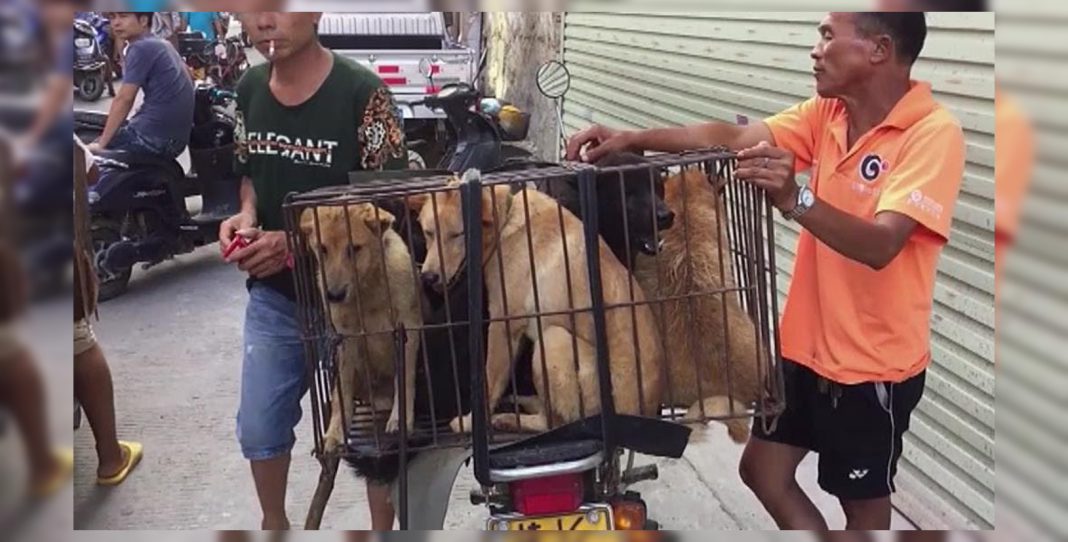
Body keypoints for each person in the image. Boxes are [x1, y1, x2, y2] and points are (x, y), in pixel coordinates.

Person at [567, 11, 965, 531]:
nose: (815, 49)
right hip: (805, 349)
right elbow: (732, 136)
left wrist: (794, 197)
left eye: (827, 36)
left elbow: (883, 243)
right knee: (762, 470)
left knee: (863, 511)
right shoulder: (829, 114)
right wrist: (630, 136)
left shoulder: (932, 134)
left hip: (872, 366)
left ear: (878, 50)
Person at [219, 11, 407, 530]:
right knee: (259, 425)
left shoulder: (362, 93)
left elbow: (386, 201)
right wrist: (247, 219)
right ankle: (274, 522)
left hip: (362, 301)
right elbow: (250, 176)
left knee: (373, 427)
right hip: (279, 298)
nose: (264, 20)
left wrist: (297, 245)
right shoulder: (249, 88)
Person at [87, 12, 194, 161]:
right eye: (112, 17)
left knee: (83, 152)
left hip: (153, 139)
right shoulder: (162, 43)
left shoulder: (140, 48)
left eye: (123, 16)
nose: (116, 23)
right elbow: (189, 75)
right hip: (177, 138)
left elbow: (124, 99)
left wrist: (101, 144)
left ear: (143, 20)